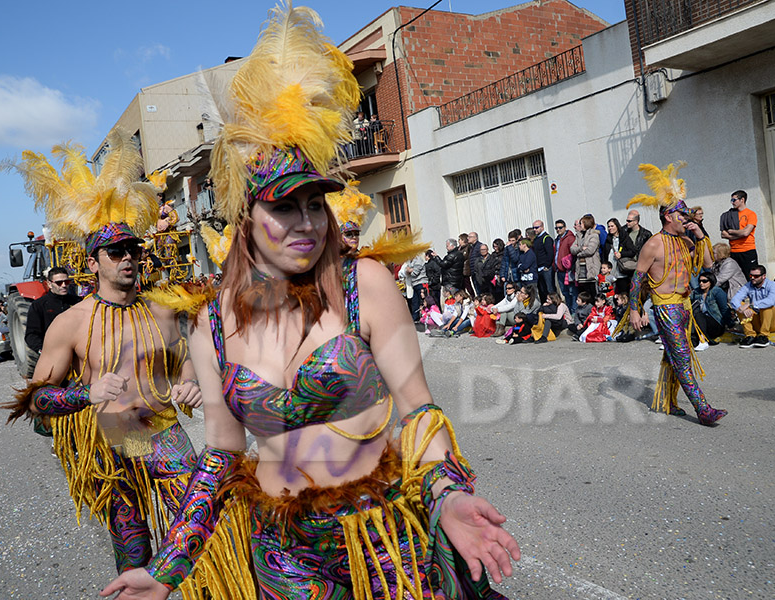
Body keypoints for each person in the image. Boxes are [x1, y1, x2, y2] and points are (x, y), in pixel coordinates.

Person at [103, 6, 519, 598]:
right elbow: (222, 452)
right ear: (246, 218)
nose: (306, 222)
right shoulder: (209, 323)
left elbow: (419, 409)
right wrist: (168, 567)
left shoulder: (363, 285)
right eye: (284, 206)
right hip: (281, 549)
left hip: (380, 536)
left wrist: (447, 493)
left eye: (315, 205)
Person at [0, 128, 204, 574]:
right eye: (115, 250)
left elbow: (184, 359)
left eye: (132, 248)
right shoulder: (68, 324)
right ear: (93, 262)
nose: (128, 257)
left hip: (166, 436)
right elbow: (35, 400)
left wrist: (189, 383)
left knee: (200, 544)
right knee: (133, 552)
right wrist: (84, 396)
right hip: (114, 442)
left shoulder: (164, 311)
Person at [628, 162, 727, 426]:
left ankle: (667, 402)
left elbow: (707, 264)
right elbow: (637, 279)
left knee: (673, 355)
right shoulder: (653, 244)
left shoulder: (686, 239)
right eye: (683, 215)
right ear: (669, 217)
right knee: (683, 358)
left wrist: (700, 233)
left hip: (686, 307)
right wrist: (635, 310)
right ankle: (703, 410)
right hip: (666, 308)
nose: (688, 218)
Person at [24, 267, 80, 356]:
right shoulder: (39, 305)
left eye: (67, 282)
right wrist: (43, 351)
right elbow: (32, 335)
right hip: (53, 354)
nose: (64, 285)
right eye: (59, 283)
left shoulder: (78, 302)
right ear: (49, 284)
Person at [730, 264, 775, 348]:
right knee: (739, 305)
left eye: (756, 276)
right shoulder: (748, 285)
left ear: (763, 276)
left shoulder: (772, 285)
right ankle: (750, 335)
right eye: (751, 275)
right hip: (758, 320)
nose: (752, 278)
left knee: (766, 306)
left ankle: (763, 336)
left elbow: (770, 301)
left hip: (774, 322)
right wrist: (742, 309)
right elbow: (735, 300)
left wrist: (750, 305)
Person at [720, 190, 758, 279]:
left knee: (751, 277)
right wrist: (738, 234)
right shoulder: (729, 215)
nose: (732, 202)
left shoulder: (750, 214)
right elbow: (723, 234)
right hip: (734, 252)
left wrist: (732, 232)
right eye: (731, 200)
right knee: (735, 278)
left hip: (748, 250)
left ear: (742, 200)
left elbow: (746, 232)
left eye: (734, 200)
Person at [691, 272, 730, 350]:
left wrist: (729, 324)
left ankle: (703, 341)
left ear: (711, 281)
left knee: (699, 315)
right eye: (700, 281)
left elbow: (724, 309)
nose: (701, 283)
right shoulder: (697, 292)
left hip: (715, 324)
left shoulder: (717, 291)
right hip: (701, 324)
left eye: (704, 281)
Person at [571, 215, 601, 298]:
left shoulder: (594, 235)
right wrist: (581, 248)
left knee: (593, 293)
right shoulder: (579, 236)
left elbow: (590, 250)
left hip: (591, 268)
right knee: (584, 295)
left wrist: (578, 253)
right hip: (581, 270)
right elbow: (572, 249)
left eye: (581, 223)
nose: (580, 225)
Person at [553, 220, 576, 311]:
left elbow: (573, 253)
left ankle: (573, 311)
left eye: (560, 227)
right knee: (564, 292)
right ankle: (569, 310)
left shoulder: (570, 238)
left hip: (568, 270)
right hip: (559, 270)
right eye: (556, 228)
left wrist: (569, 265)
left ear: (565, 227)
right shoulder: (557, 239)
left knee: (572, 292)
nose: (558, 229)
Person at [603, 218, 630, 294]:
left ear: (617, 226)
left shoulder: (624, 237)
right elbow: (605, 254)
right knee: (610, 293)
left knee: (623, 293)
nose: (610, 228)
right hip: (610, 272)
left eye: (612, 226)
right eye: (608, 226)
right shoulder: (608, 239)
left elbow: (632, 251)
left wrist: (621, 254)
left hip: (621, 271)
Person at [531, 220, 555, 301]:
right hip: (538, 268)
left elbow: (550, 253)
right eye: (533, 228)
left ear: (542, 227)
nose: (535, 229)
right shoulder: (536, 239)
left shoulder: (546, 238)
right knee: (542, 290)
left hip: (545, 268)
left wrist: (547, 266)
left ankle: (554, 306)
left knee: (550, 289)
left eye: (537, 227)